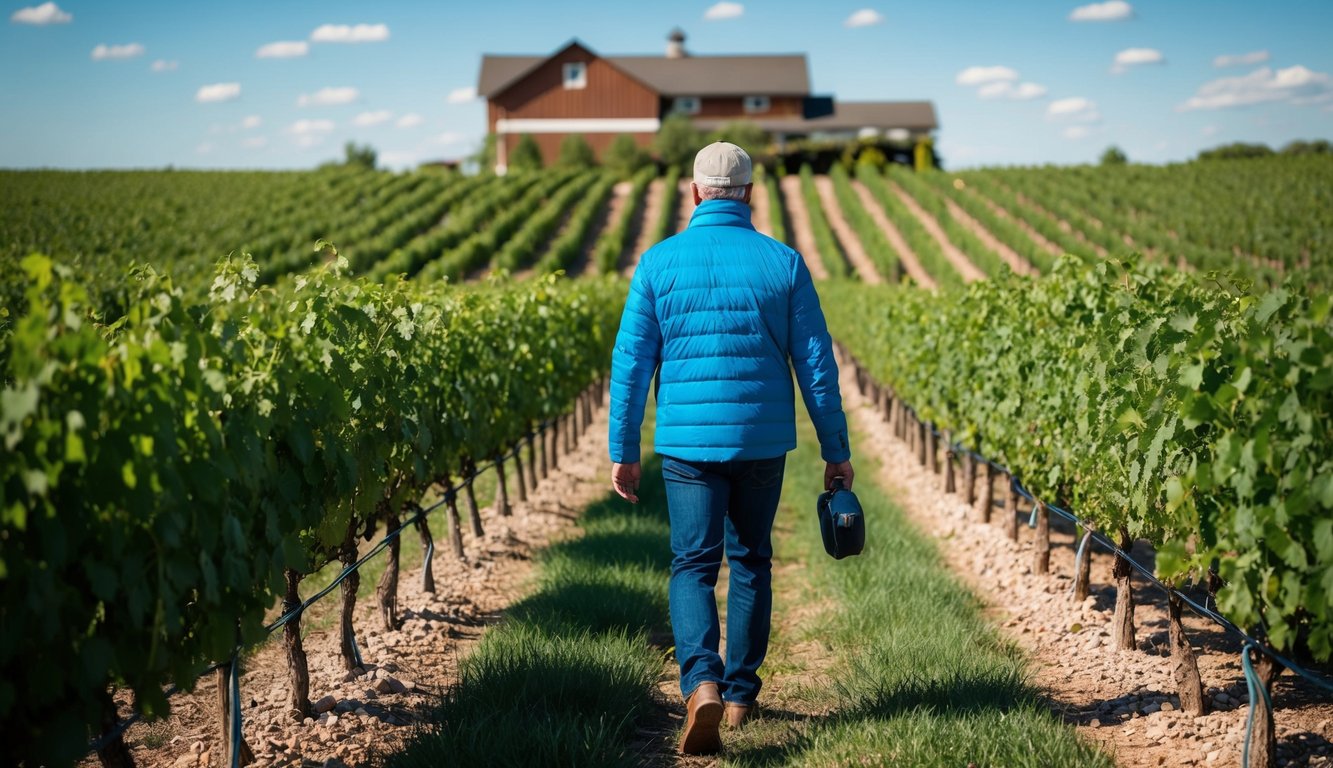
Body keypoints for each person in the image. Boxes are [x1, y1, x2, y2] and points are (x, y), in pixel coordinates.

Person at [607, 141, 854, 755]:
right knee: (751, 561)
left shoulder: (657, 264)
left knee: (692, 563)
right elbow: (816, 364)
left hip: (688, 443)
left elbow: (631, 364)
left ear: (694, 193)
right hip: (761, 439)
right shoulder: (784, 263)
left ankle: (702, 683)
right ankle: (742, 695)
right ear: (749, 194)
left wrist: (624, 448)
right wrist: (835, 448)